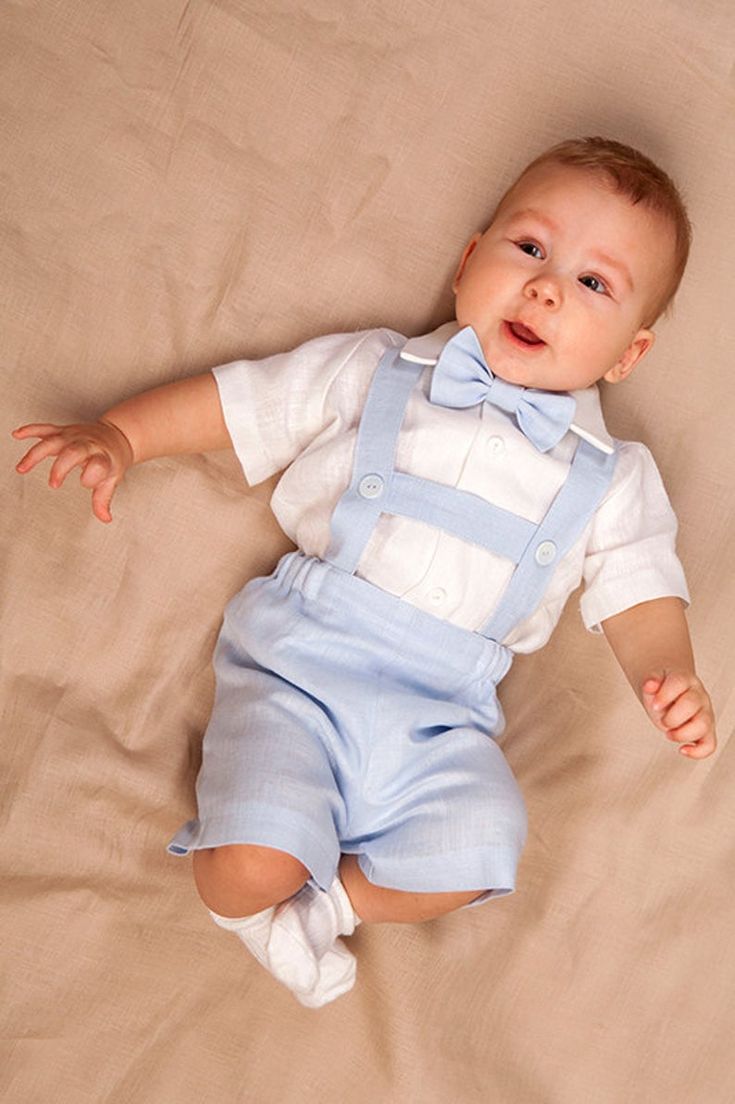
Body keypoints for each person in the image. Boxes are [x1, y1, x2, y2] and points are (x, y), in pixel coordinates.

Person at [13, 137, 717, 1008]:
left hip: (444, 719)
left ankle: (332, 903)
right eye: (530, 249)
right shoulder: (378, 369)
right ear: (468, 263)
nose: (546, 287)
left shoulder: (613, 475)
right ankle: (258, 901)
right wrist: (123, 435)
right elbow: (244, 402)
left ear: (626, 355)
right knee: (246, 867)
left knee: (487, 841)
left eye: (593, 284)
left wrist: (669, 670)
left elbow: (639, 587)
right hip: (303, 669)